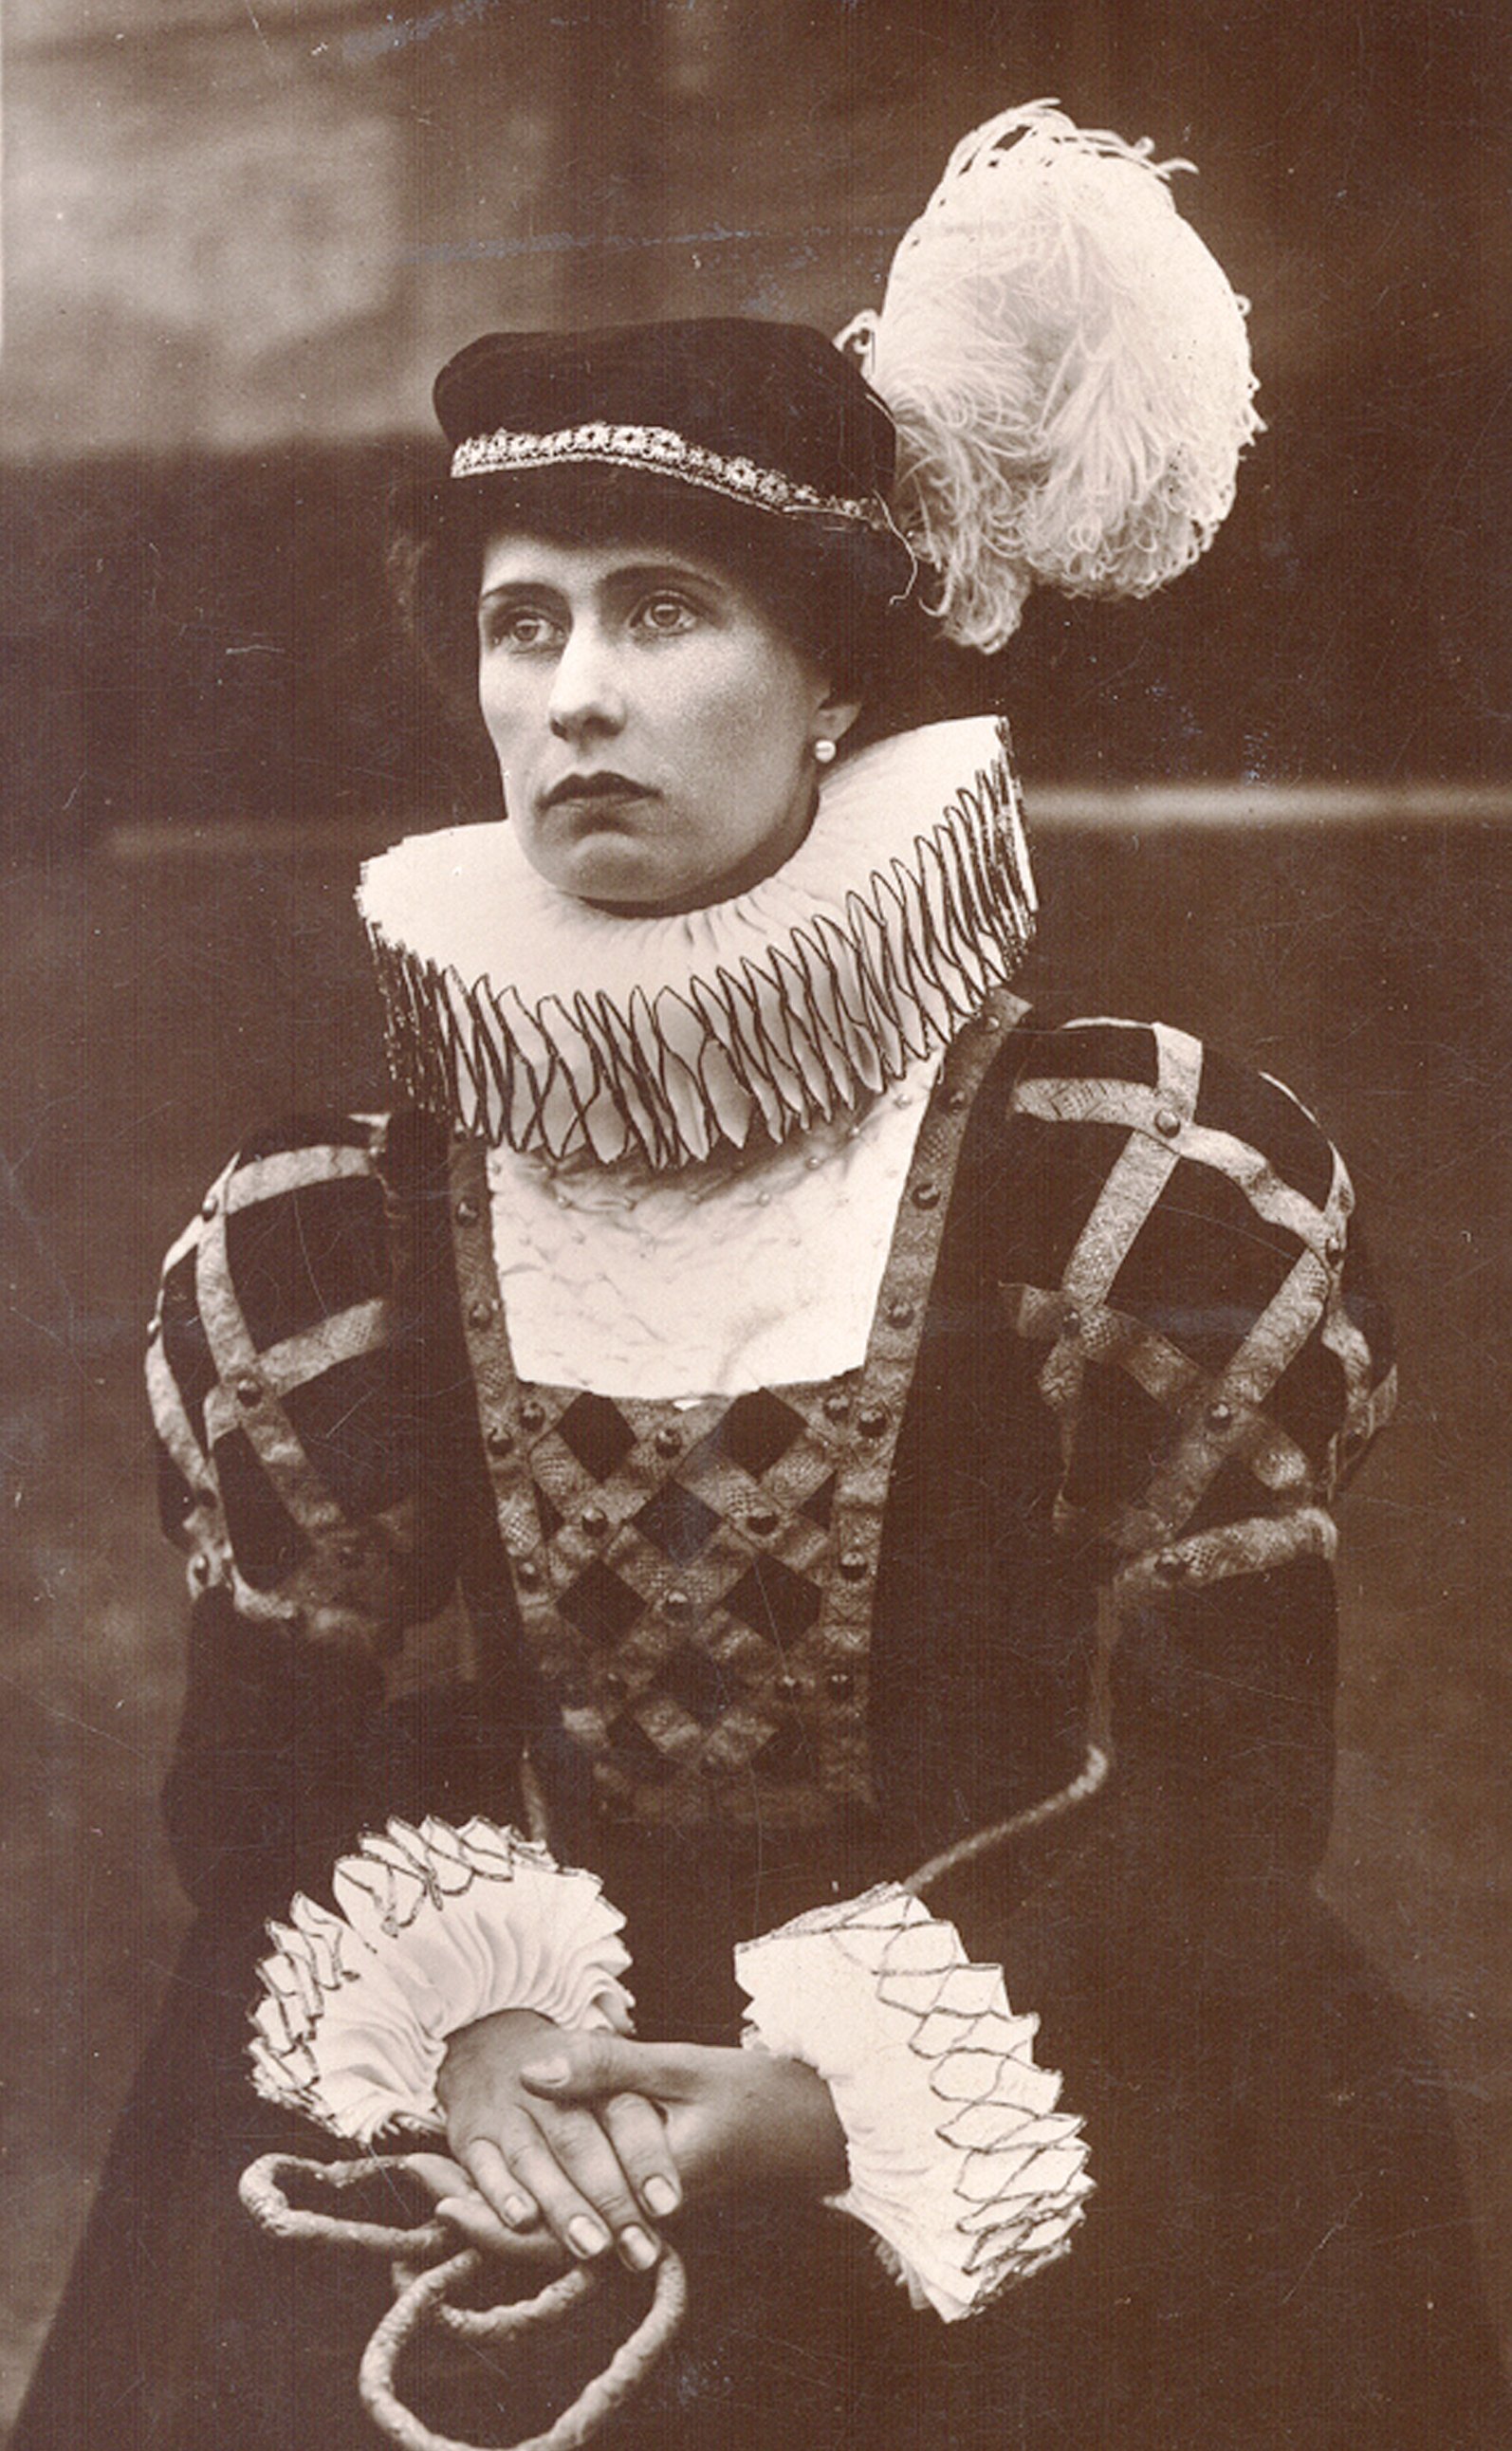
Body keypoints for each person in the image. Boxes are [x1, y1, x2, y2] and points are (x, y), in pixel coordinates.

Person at [16, 105, 1509, 2451]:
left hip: (1050, 2085)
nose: (575, 693)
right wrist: (477, 2038)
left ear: (830, 684)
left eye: (660, 609)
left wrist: (827, 2090)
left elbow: (1216, 1796)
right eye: (524, 621)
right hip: (527, 2113)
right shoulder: (339, 1231)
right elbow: (274, 1780)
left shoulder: (1119, 1185)